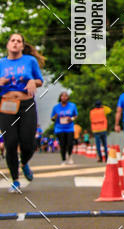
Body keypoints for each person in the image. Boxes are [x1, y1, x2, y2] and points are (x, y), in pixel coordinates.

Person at [0, 33, 44, 191]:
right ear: (8, 45)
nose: (15, 43)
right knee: (10, 143)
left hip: (27, 104)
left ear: (22, 46)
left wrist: (33, 81)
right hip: (7, 104)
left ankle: (24, 163)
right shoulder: (1, 63)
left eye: (19, 41)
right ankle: (15, 180)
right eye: (13, 40)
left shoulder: (30, 61)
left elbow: (40, 80)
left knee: (29, 142)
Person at [51, 91, 78, 165]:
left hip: (69, 128)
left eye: (66, 96)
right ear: (60, 97)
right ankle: (63, 159)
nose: (64, 97)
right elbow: (52, 118)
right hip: (59, 128)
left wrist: (71, 119)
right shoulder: (56, 107)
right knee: (62, 144)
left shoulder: (72, 106)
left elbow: (76, 115)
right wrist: (54, 117)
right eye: (62, 96)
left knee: (70, 143)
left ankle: (70, 156)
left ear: (68, 97)